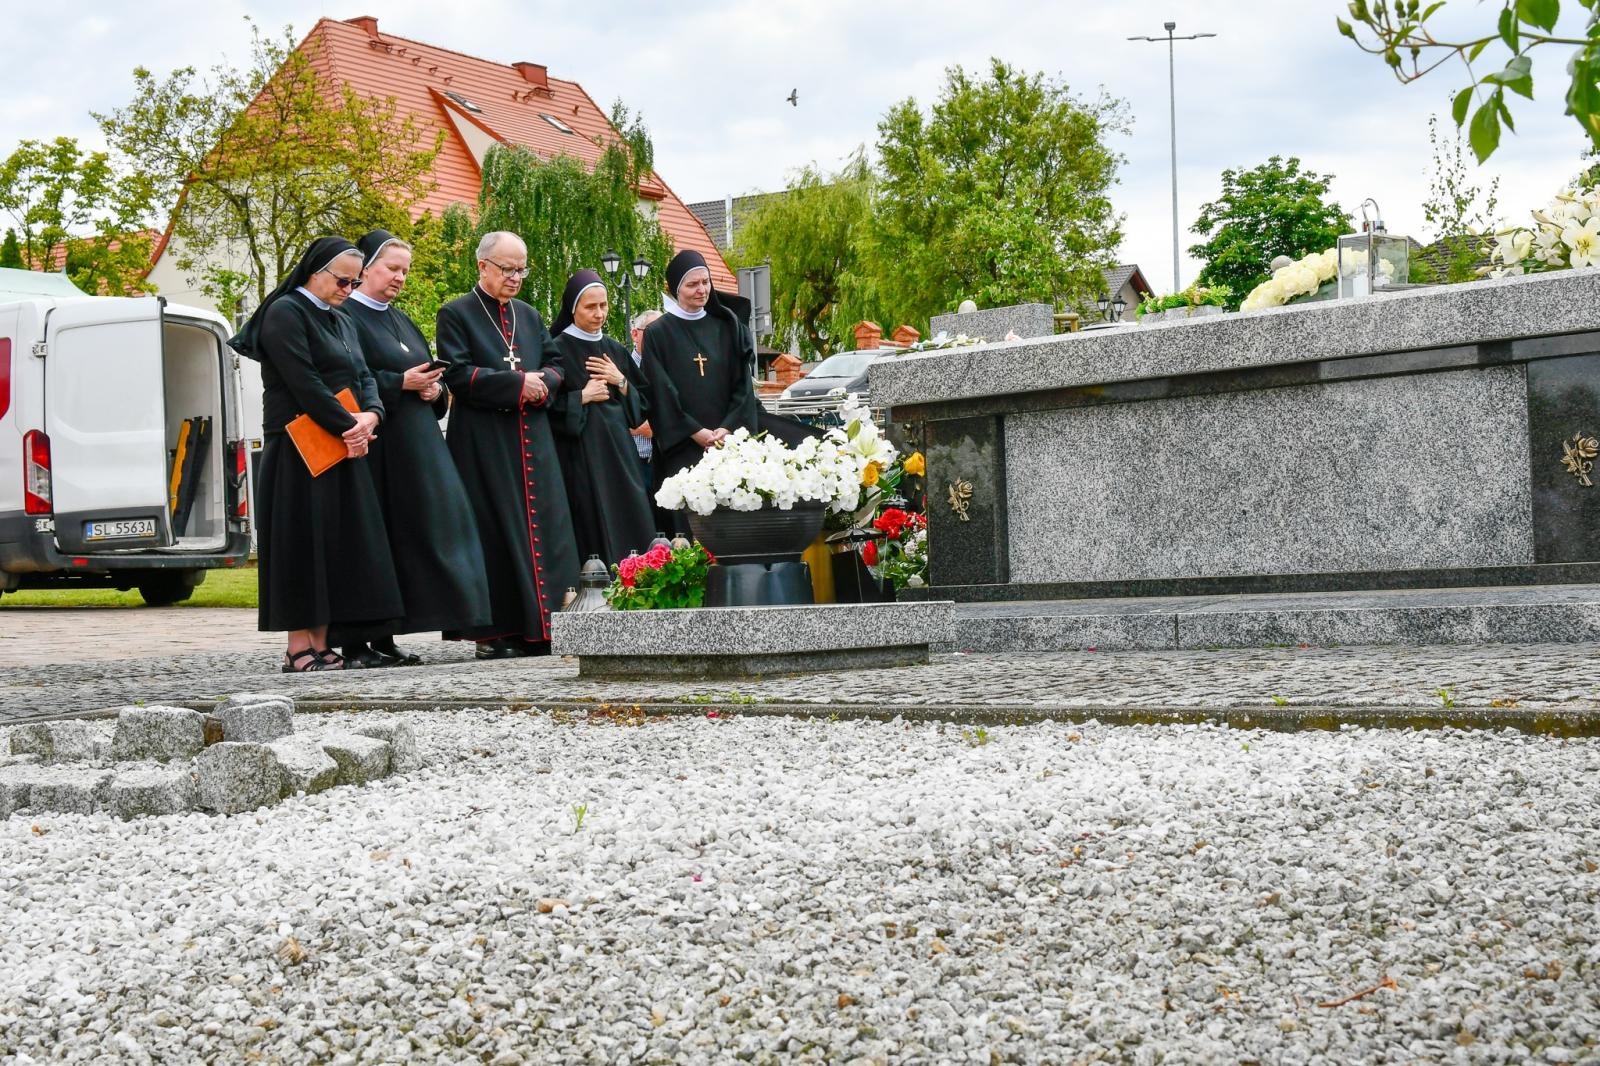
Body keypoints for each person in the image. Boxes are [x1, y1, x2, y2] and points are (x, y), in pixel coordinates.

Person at [228, 236, 402, 672]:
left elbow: (363, 376)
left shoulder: (341, 319)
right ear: (315, 271)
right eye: (342, 280)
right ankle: (298, 647)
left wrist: (372, 418)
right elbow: (304, 383)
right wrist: (351, 426)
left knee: (335, 546)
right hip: (297, 447)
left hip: (343, 444)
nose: (348, 289)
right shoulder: (285, 313)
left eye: (354, 281)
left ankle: (324, 644)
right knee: (302, 546)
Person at [329, 229, 493, 667]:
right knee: (375, 540)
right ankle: (357, 641)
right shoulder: (347, 319)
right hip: (378, 451)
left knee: (414, 540)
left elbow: (432, 386)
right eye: (392, 268)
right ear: (364, 267)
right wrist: (401, 382)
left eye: (405, 270)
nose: (400, 277)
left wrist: (432, 390)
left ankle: (388, 635)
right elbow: (346, 380)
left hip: (416, 451)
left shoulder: (401, 320)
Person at [436, 231, 579, 659]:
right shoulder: (456, 313)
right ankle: (494, 633)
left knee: (546, 530)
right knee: (493, 532)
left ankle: (548, 627)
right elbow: (458, 375)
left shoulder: (530, 315)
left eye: (522, 269)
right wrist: (519, 383)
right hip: (485, 443)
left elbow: (556, 365)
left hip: (534, 439)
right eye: (507, 269)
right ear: (483, 266)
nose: (516, 277)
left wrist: (544, 383)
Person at [640, 249, 762, 534]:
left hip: (727, 444)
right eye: (692, 284)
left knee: (731, 523)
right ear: (674, 289)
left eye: (705, 282)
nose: (701, 290)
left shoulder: (727, 325)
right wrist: (696, 431)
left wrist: (728, 428)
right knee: (690, 528)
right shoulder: (658, 333)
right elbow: (660, 392)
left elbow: (743, 386)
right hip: (683, 447)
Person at [549, 269, 655, 565]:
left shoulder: (614, 350)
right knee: (592, 524)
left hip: (621, 456)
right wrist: (582, 396)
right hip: (581, 457)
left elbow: (642, 408)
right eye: (590, 307)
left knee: (632, 520)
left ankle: (638, 582)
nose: (599, 314)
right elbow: (545, 406)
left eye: (604, 305)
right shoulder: (556, 349)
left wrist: (620, 381)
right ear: (573, 309)